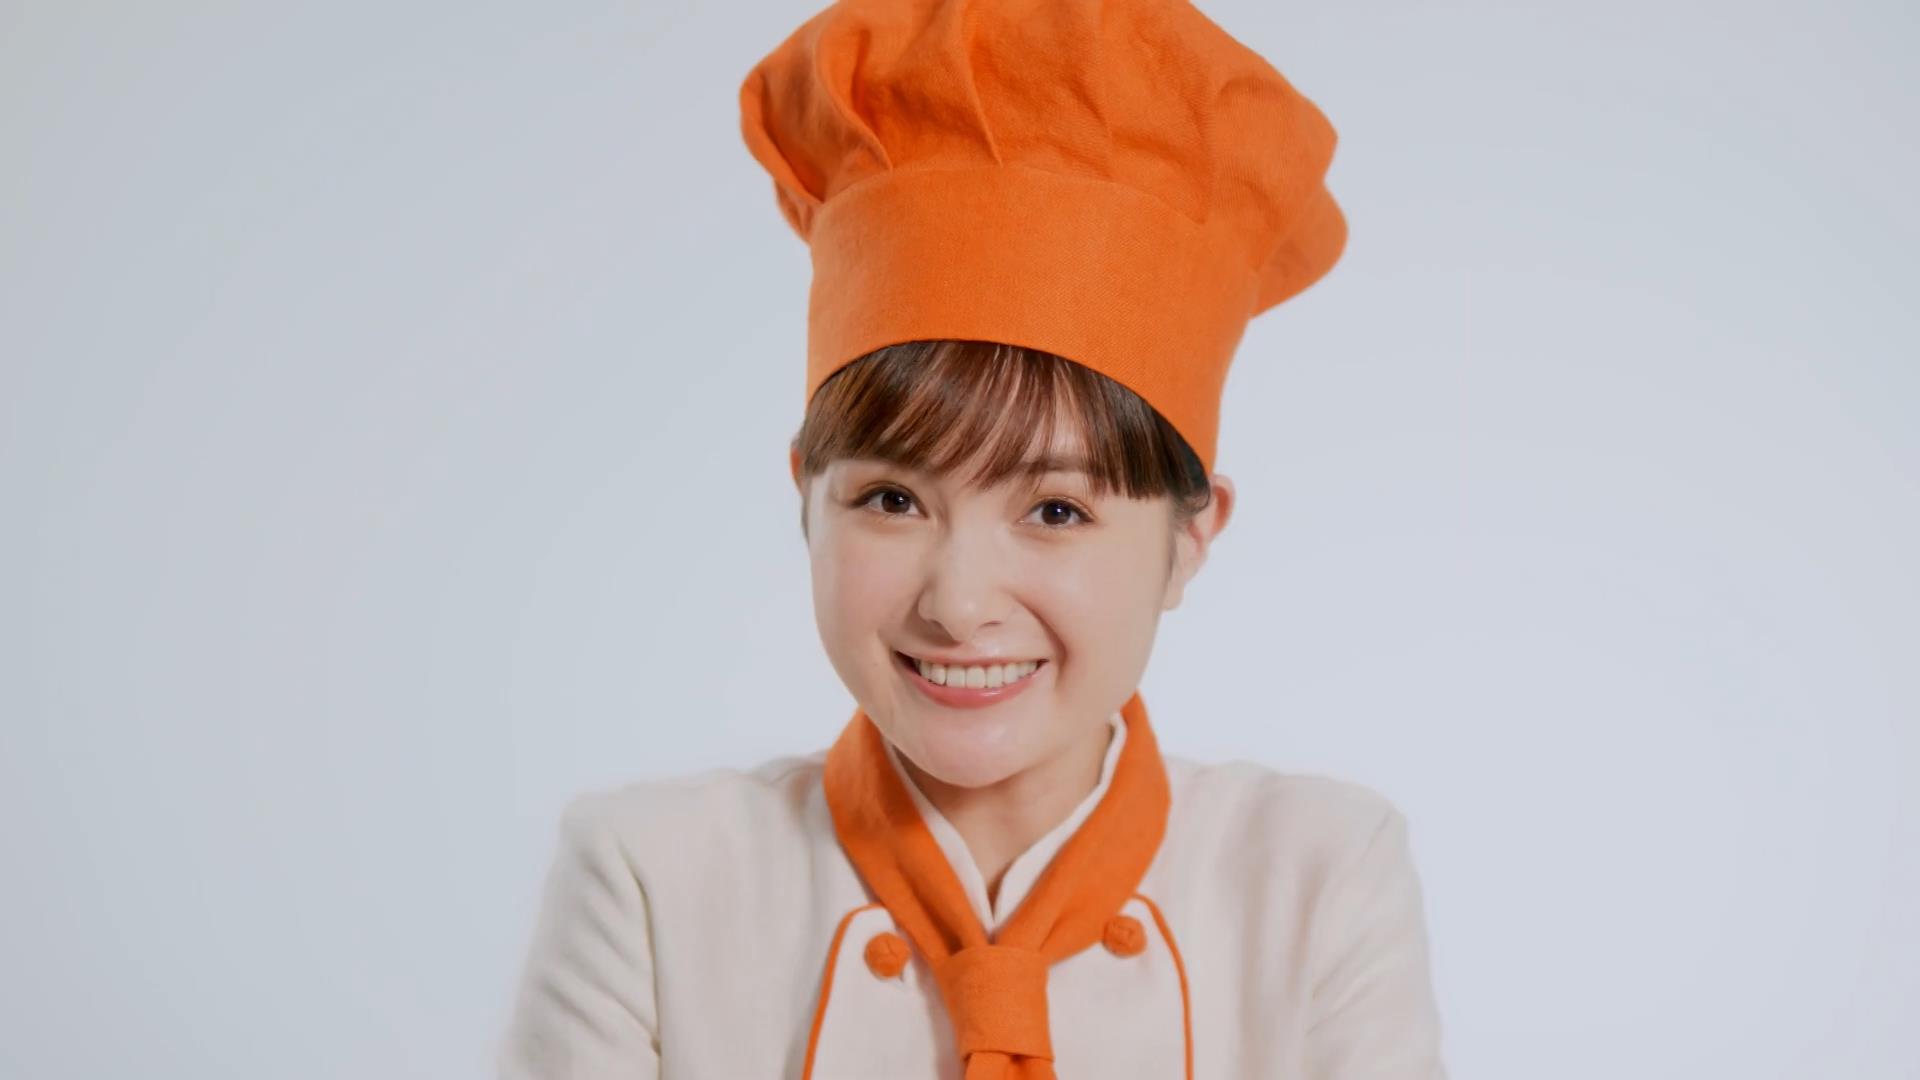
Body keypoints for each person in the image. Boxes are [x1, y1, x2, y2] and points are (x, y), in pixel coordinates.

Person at [498, 1, 1449, 1077]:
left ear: (1190, 539)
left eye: (1056, 511)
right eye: (892, 500)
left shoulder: (1319, 882)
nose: (958, 604)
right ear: (806, 496)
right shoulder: (648, 883)